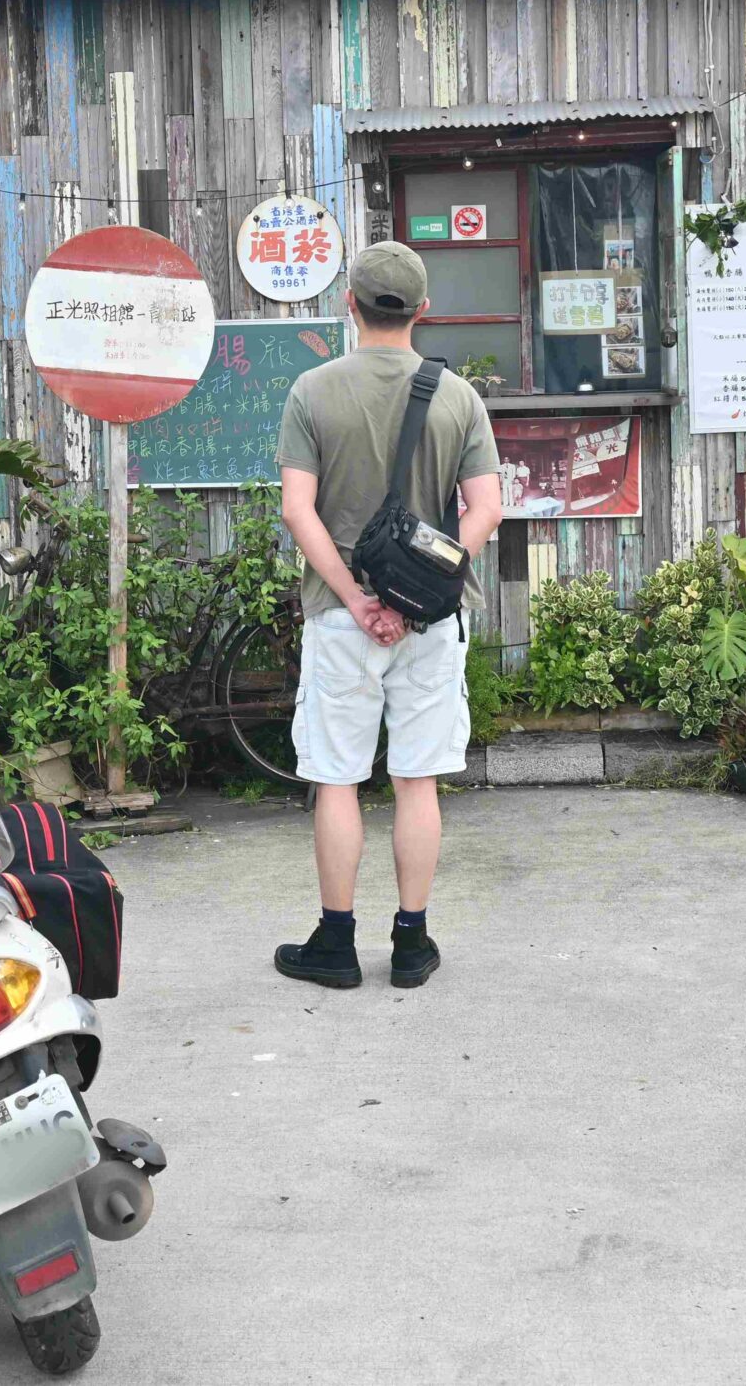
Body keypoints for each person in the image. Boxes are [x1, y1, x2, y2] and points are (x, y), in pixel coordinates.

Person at [271, 242, 502, 990]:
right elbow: (487, 508)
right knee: (416, 780)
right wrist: (418, 590)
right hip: (430, 623)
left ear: (351, 304)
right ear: (422, 311)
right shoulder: (459, 397)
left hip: (340, 621)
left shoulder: (312, 391)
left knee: (337, 779)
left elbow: (297, 509)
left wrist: (355, 594)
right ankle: (411, 942)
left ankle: (335, 944)